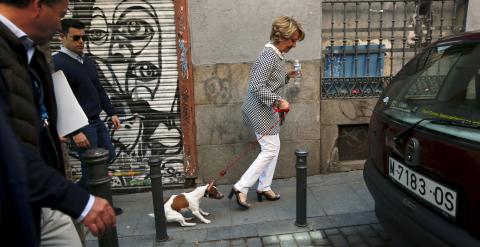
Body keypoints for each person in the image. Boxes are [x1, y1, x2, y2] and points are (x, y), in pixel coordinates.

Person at [0, 0, 116, 245]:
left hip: (41, 197)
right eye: (59, 15)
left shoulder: (28, 52)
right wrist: (79, 202)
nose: (58, 26)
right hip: (15, 198)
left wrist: (49, 133)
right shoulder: (38, 56)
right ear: (37, 6)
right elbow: (8, 150)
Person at [228, 16, 305, 209]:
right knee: (270, 149)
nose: (294, 45)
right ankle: (241, 187)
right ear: (281, 37)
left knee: (273, 147)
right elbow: (256, 87)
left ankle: (264, 186)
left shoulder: (277, 54)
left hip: (265, 110)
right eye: (292, 40)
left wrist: (287, 76)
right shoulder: (268, 55)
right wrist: (279, 100)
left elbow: (271, 82)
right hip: (259, 110)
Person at [53, 18, 123, 215]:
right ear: (62, 37)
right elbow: (59, 100)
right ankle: (82, 204)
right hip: (81, 126)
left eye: (84, 37)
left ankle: (90, 203)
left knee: (106, 154)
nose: (81, 41)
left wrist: (112, 112)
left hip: (96, 121)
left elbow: (98, 89)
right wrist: (74, 131)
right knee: (90, 168)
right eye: (76, 38)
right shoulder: (57, 63)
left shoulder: (87, 61)